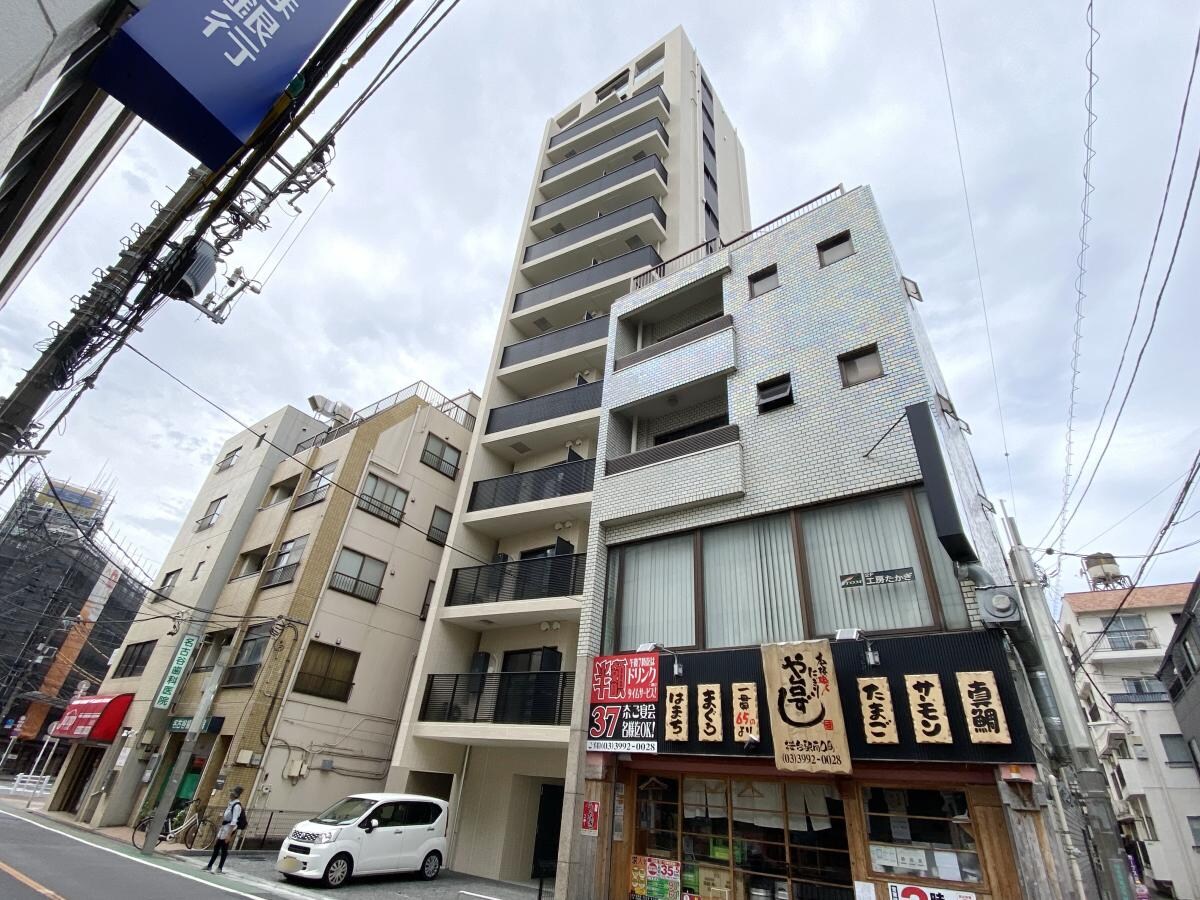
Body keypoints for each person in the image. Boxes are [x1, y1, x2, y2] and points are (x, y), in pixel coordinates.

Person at [203, 785, 244, 874]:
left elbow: (234, 820)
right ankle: (210, 865)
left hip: (229, 828)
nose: (230, 794)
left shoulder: (236, 806)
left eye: (232, 793)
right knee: (217, 846)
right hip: (224, 827)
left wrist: (229, 835)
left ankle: (219, 868)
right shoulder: (231, 803)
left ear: (235, 795)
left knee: (224, 848)